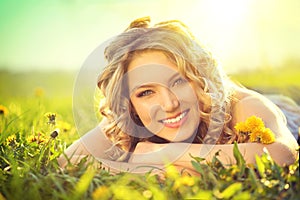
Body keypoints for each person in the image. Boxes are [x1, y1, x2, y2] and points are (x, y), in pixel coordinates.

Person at [58, 17, 299, 174]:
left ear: (199, 79)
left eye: (179, 81)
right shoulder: (127, 118)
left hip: (283, 110)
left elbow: (283, 155)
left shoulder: (243, 105)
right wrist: (139, 168)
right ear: (129, 104)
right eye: (147, 92)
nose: (169, 103)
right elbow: (65, 162)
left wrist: (164, 153)